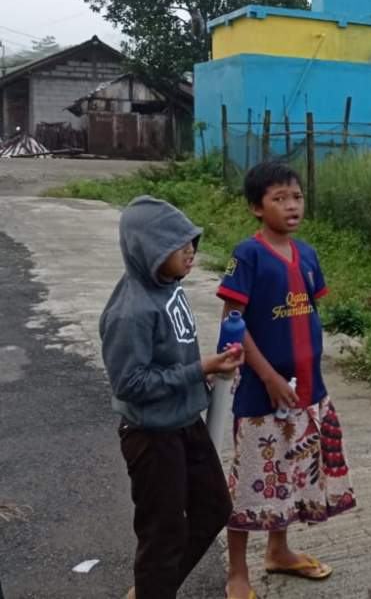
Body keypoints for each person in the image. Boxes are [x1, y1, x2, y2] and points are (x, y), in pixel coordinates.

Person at [217, 161, 356, 599]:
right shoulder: (248, 255)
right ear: (257, 208)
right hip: (263, 394)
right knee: (251, 483)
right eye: (279, 199)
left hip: (307, 392)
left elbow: (309, 311)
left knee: (293, 477)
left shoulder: (309, 254)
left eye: (296, 196)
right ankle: (237, 572)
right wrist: (270, 376)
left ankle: (279, 551)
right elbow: (233, 324)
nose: (291, 206)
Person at [99, 196, 244, 599]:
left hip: (184, 421)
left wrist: (210, 376)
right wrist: (201, 369)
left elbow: (174, 354)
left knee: (214, 507)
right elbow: (129, 383)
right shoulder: (130, 312)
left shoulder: (169, 287)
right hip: (151, 436)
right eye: (176, 246)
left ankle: (150, 590)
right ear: (147, 251)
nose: (190, 252)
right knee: (162, 534)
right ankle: (153, 589)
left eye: (191, 242)